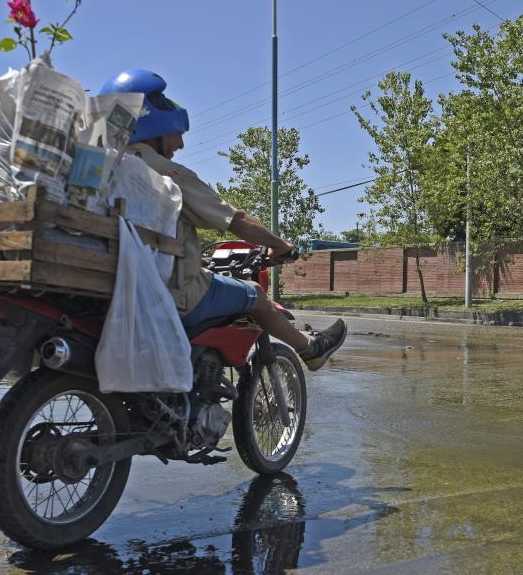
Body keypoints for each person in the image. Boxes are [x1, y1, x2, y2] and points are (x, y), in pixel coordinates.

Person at [99, 69, 347, 371]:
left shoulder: (101, 170)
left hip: (112, 290)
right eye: (177, 133)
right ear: (155, 127)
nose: (180, 144)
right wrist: (279, 244)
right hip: (171, 296)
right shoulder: (167, 174)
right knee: (254, 294)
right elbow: (236, 221)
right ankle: (311, 350)